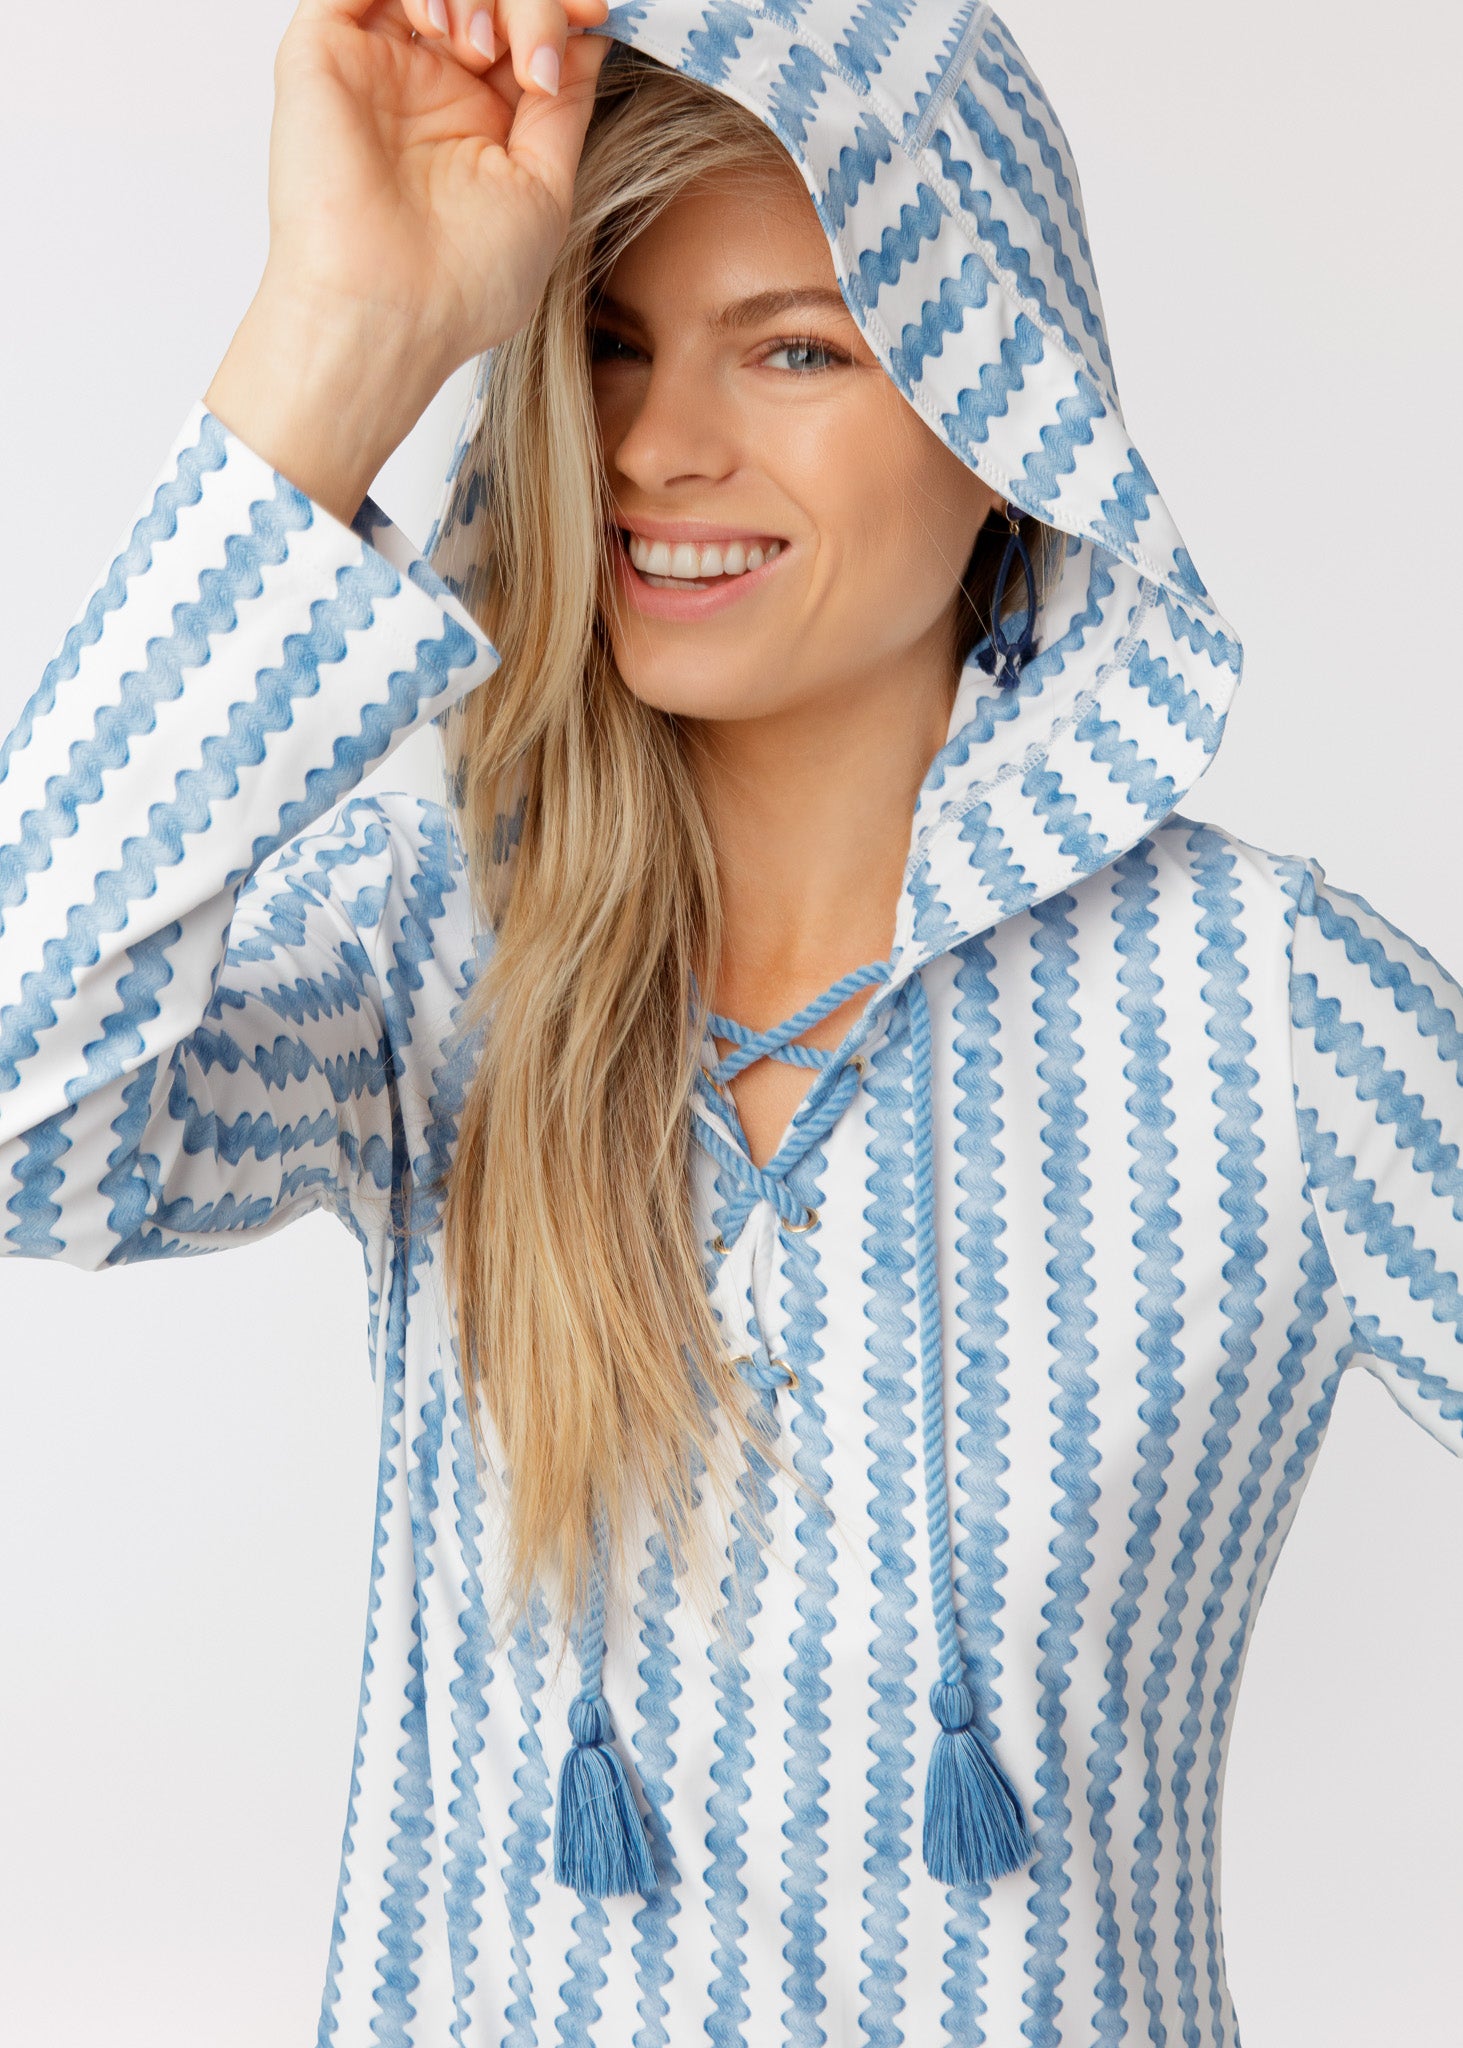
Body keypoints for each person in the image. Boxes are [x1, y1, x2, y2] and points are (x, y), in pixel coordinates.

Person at [1, 0, 1458, 2042]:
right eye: (608, 338)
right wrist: (338, 333)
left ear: (1001, 412)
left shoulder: (1263, 1007)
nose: (660, 445)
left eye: (796, 347)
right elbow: (19, 1121)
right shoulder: (430, 940)